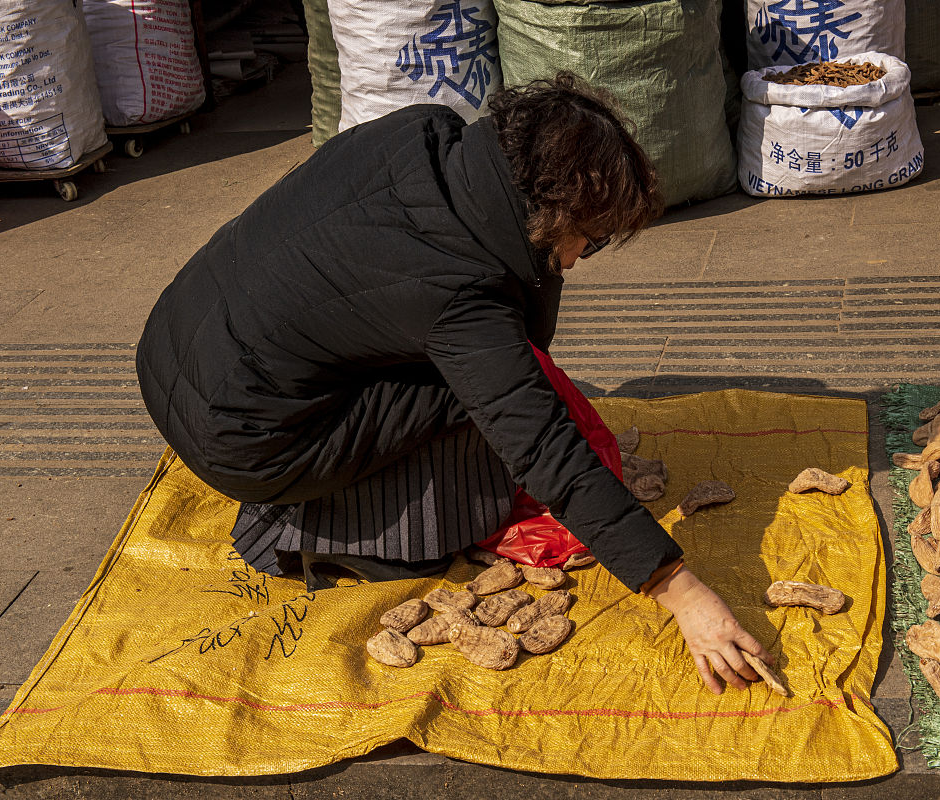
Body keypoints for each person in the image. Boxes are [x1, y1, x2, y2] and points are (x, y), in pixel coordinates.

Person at [136, 73, 770, 694]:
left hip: (176, 353)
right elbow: (540, 442)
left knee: (497, 375)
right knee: (481, 405)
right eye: (589, 241)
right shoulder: (461, 295)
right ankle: (351, 534)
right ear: (549, 215)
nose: (578, 260)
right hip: (243, 436)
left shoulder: (420, 132)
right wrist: (680, 590)